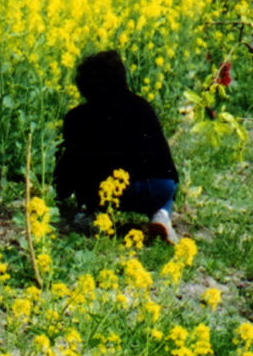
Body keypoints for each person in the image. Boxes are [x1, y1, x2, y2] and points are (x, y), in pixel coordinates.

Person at [52, 49, 181, 245]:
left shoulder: (77, 116)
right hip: (156, 188)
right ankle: (161, 215)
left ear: (84, 85)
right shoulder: (142, 106)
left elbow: (69, 165)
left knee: (84, 172)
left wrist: (61, 193)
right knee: (167, 181)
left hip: (111, 192)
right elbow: (166, 162)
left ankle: (89, 213)